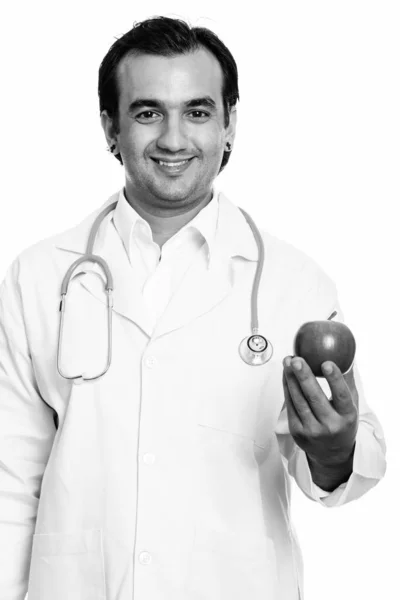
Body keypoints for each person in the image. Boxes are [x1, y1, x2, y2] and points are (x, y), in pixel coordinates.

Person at [0, 16, 386, 600]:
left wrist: (335, 451)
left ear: (230, 124)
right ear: (110, 126)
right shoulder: (38, 276)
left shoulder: (292, 283)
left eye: (198, 112)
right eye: (148, 112)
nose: (174, 139)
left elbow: (347, 464)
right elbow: (11, 479)